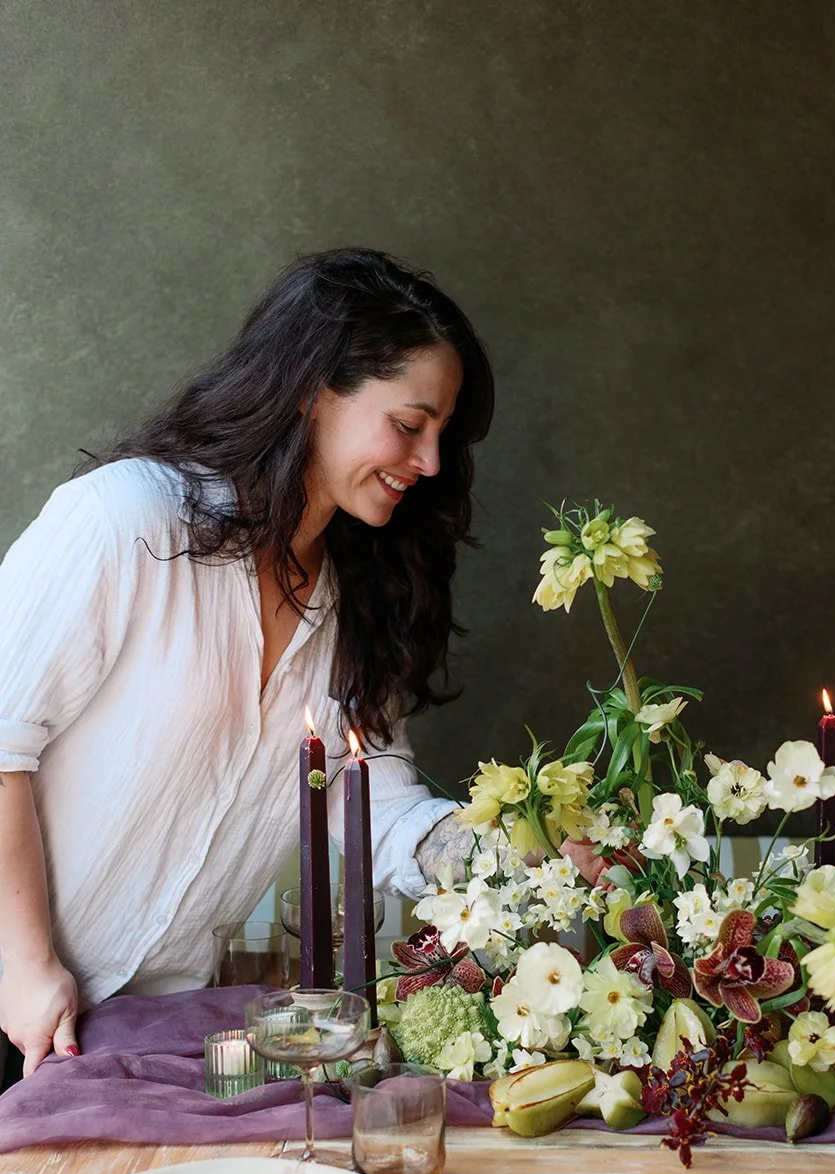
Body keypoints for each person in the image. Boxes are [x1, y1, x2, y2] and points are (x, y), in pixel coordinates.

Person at [0, 247, 492, 1084]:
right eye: (409, 425)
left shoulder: (352, 608)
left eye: (442, 434)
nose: (431, 462)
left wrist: (500, 853)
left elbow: (366, 796)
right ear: (312, 388)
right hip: (17, 991)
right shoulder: (125, 522)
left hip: (134, 1033)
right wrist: (23, 964)